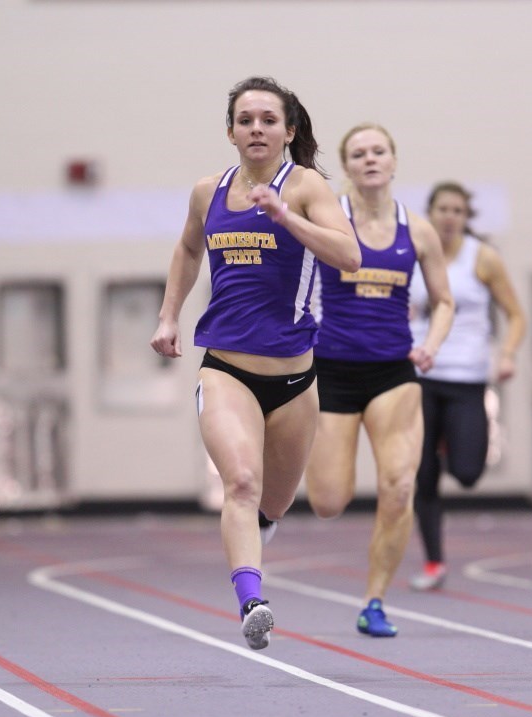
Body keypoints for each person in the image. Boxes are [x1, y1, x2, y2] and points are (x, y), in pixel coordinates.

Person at [150, 76, 361, 649]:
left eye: (269, 119)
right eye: (246, 120)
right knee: (240, 483)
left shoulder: (308, 186)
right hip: (226, 368)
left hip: (294, 379)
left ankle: (259, 533)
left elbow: (349, 256)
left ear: (288, 131)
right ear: (231, 132)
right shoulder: (207, 191)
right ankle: (252, 601)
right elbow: (189, 248)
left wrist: (287, 217)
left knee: (273, 500)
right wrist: (169, 316)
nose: (257, 129)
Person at [305, 123, 455, 637]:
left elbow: (444, 301)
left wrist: (431, 344)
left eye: (379, 151)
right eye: (358, 154)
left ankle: (374, 602)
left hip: (394, 371)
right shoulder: (329, 221)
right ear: (346, 167)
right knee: (328, 502)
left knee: (398, 486)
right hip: (332, 371)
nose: (370, 160)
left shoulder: (418, 231)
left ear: (393, 161)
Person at [407, 182, 526, 590]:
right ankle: (434, 563)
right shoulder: (414, 253)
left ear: (466, 217)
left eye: (457, 210)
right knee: (422, 477)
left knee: (468, 472)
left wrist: (506, 354)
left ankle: (446, 444)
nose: (449, 217)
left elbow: (516, 315)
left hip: (467, 378)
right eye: (443, 208)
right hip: (421, 375)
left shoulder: (484, 258)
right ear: (431, 212)